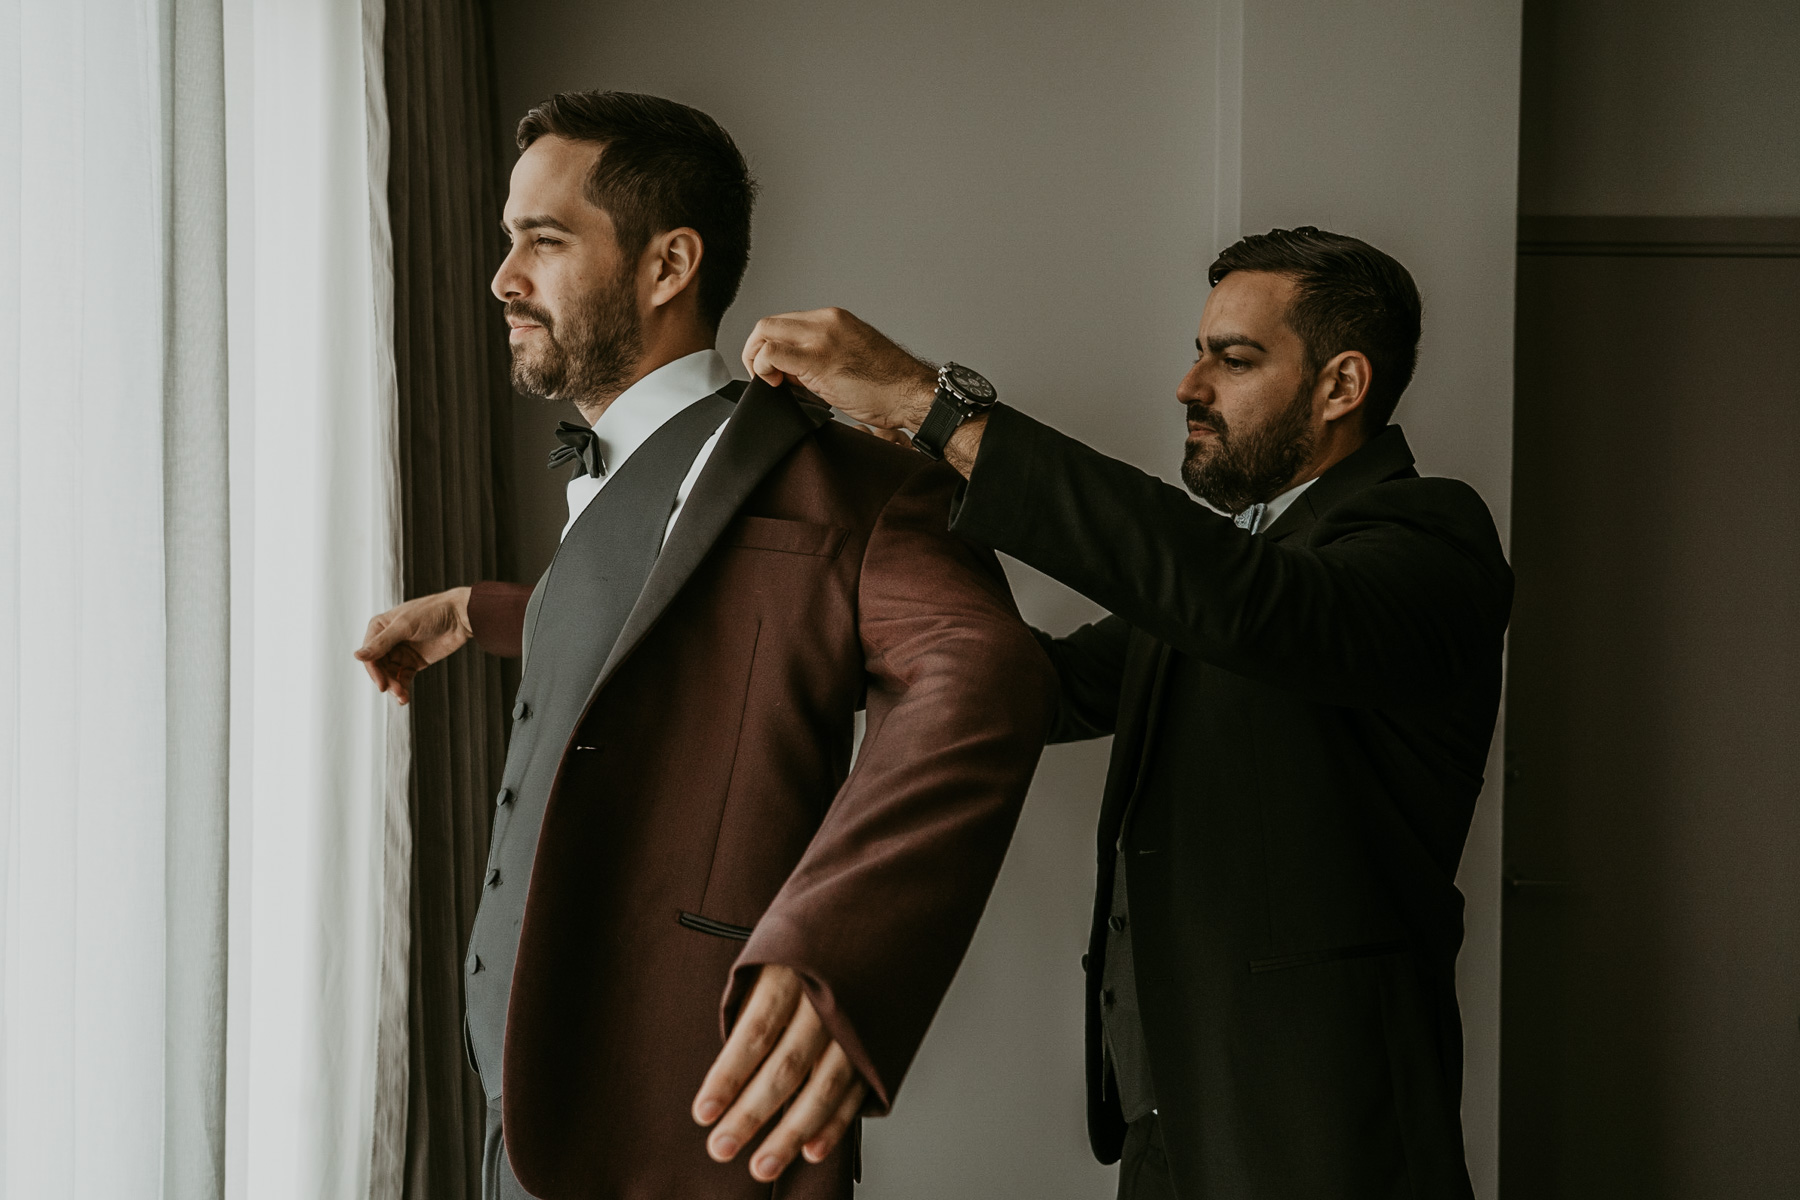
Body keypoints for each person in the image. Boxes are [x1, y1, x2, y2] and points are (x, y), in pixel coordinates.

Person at [353, 91, 1054, 1200]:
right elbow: (673, 622)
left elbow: (989, 669)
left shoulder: (857, 487)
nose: (502, 277)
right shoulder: (618, 475)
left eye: (541, 240)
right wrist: (474, 613)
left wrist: (841, 949)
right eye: (506, 240)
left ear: (669, 263)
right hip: (519, 1128)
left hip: (695, 1134)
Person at [739, 227, 1514, 1199]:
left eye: (1232, 359)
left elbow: (1250, 604)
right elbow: (1034, 683)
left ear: (1341, 386)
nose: (1189, 388)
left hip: (1323, 1131)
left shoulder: (1428, 538)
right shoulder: (1223, 575)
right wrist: (874, 538)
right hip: (1167, 1120)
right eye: (1197, 353)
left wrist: (935, 409)